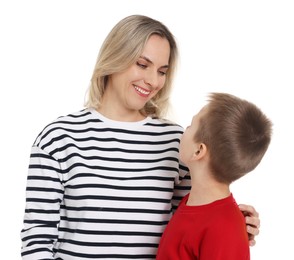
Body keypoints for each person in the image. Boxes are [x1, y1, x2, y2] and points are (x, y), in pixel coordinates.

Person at [20, 15, 260, 260]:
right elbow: (37, 240)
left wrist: (234, 226)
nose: (153, 81)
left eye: (162, 71)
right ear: (115, 57)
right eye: (142, 64)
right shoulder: (57, 138)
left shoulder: (176, 143)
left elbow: (193, 223)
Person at [156, 92, 272, 260]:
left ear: (198, 151)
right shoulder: (190, 203)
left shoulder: (223, 227)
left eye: (190, 125)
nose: (183, 130)